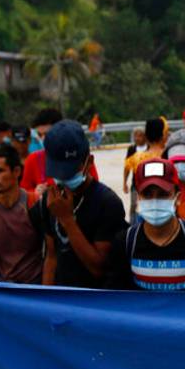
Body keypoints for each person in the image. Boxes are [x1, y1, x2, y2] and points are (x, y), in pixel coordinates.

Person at [109, 159, 185, 292]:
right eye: (147, 195)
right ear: (138, 198)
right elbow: (116, 294)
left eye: (163, 195)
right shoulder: (126, 242)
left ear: (177, 198)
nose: (154, 201)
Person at [31, 120, 125, 288]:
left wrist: (67, 220)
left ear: (89, 162)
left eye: (69, 172)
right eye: (58, 172)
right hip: (62, 298)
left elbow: (99, 269)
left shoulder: (107, 203)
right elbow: (51, 257)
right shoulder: (50, 200)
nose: (64, 179)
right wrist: (46, 300)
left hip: (94, 300)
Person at [0, 143, 44, 284]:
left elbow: (51, 253)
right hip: (4, 288)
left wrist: (48, 294)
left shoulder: (35, 204)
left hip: (36, 288)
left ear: (17, 171)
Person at [124, 118, 167, 214]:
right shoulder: (168, 157)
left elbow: (127, 167)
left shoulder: (136, 158)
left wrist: (124, 183)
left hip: (145, 208)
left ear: (146, 137)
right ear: (163, 136)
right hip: (164, 207)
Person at [20, 107, 63, 191]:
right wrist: (35, 193)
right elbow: (23, 195)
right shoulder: (33, 159)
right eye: (40, 135)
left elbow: (93, 192)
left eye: (47, 134)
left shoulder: (80, 157)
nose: (43, 139)